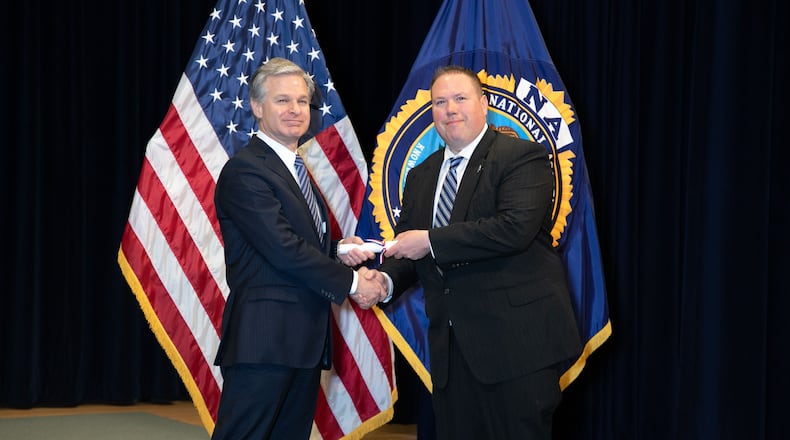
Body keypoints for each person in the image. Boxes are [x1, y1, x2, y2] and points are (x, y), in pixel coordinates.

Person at [369, 65, 583, 439]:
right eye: (440, 102)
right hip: (452, 352)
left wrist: (431, 241)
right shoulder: (421, 174)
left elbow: (512, 230)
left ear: (484, 105)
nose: (450, 109)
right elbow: (408, 246)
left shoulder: (522, 156)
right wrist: (383, 280)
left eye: (460, 98)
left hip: (517, 349)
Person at [211, 57, 383, 440]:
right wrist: (354, 283)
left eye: (302, 102)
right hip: (265, 342)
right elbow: (282, 248)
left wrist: (336, 248)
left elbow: (287, 238)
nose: (295, 111)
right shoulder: (246, 170)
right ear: (257, 107)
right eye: (282, 101)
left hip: (301, 340)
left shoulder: (292, 166)